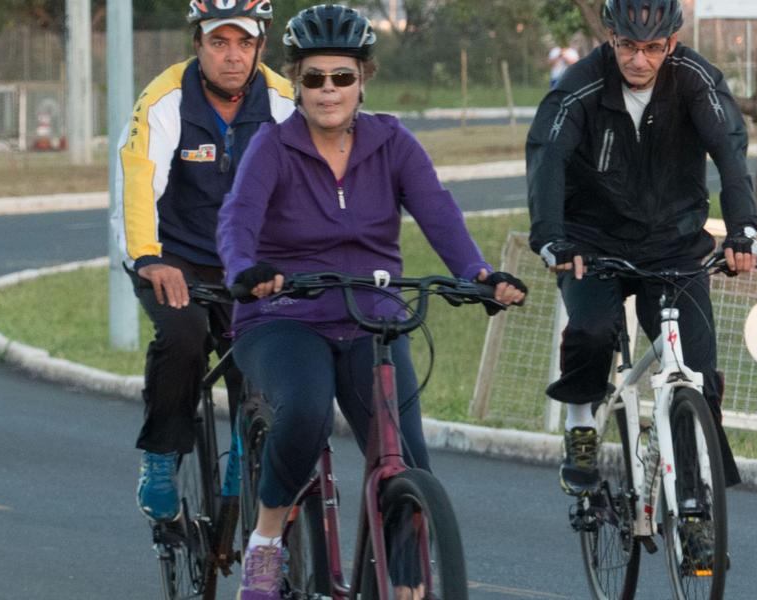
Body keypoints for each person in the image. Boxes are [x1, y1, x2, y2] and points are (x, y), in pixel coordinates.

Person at [216, 5, 526, 598]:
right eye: (313, 78)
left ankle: (405, 586)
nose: (328, 91)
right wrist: (244, 270)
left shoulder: (393, 143)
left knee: (406, 458)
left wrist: (477, 273)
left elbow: (438, 210)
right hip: (283, 316)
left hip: (371, 318)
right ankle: (266, 540)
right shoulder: (271, 147)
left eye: (342, 77)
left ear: (364, 78)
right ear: (296, 82)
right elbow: (238, 220)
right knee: (305, 409)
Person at [526, 0, 757, 500]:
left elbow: (730, 153)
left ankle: (695, 504)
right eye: (629, 46)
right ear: (610, 37)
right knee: (591, 330)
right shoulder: (578, 85)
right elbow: (548, 159)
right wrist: (551, 236)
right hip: (592, 243)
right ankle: (581, 421)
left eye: (653, 48)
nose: (639, 60)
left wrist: (743, 230)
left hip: (673, 247)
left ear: (671, 44)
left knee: (697, 377)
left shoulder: (696, 79)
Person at [112, 0, 295, 522]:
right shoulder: (166, 97)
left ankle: (249, 449)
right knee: (183, 339)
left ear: (261, 46)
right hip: (175, 257)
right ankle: (162, 455)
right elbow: (140, 181)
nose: (232, 56)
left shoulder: (283, 102)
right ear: (197, 45)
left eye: (244, 43)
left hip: (251, 262)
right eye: (219, 42)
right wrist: (148, 258)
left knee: (263, 350)